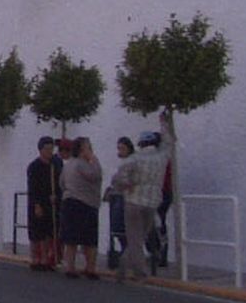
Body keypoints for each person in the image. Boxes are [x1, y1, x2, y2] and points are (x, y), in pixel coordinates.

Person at [107, 115, 175, 283]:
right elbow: (169, 142)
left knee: (134, 239)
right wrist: (164, 123)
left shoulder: (133, 159)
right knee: (141, 236)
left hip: (133, 202)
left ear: (141, 144)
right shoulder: (161, 157)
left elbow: (118, 179)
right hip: (152, 202)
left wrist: (126, 186)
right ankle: (123, 267)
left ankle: (139, 272)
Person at [58, 136, 103, 279]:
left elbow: (62, 183)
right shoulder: (83, 164)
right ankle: (90, 267)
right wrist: (94, 159)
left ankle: (70, 266)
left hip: (69, 201)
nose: (90, 149)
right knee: (89, 238)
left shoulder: (68, 164)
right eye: (88, 147)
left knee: (71, 237)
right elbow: (95, 175)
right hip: (85, 203)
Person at [25, 135, 62, 271]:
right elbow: (33, 187)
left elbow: (59, 184)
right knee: (36, 232)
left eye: (51, 149)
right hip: (38, 202)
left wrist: (56, 196)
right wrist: (37, 205)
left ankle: (46, 259)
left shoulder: (55, 166)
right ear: (40, 150)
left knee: (48, 232)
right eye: (47, 149)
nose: (49, 152)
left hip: (50, 203)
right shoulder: (34, 167)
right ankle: (35, 259)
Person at [106, 136, 134, 269]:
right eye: (118, 148)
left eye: (122, 148)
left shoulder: (131, 163)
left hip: (126, 198)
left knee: (121, 226)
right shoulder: (124, 163)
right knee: (117, 227)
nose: (119, 151)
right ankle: (125, 251)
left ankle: (127, 253)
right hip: (118, 197)